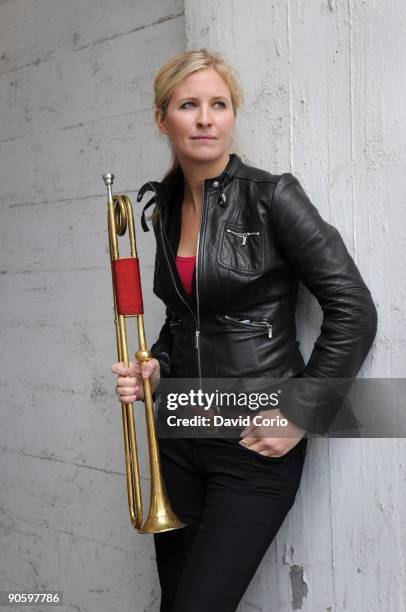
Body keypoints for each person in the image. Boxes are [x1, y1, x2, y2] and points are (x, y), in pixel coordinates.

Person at [112, 49, 377, 612]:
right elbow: (183, 316)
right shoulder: (163, 207)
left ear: (233, 114)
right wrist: (156, 362)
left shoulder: (273, 195)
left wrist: (303, 411)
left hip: (252, 444)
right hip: (179, 436)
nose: (205, 118)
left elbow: (353, 308)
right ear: (164, 119)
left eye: (219, 104)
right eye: (189, 105)